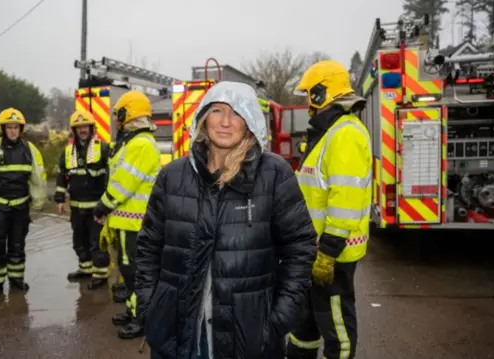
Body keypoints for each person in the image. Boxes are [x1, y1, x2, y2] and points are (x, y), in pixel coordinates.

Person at [134, 81, 318, 359]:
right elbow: (148, 247)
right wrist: (150, 309)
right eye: (218, 111)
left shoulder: (274, 174)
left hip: (250, 340)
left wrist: (277, 320)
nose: (226, 122)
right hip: (175, 336)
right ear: (204, 117)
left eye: (238, 113)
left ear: (251, 122)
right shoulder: (172, 177)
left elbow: (300, 249)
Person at [287, 60, 372, 359]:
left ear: (322, 94)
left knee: (336, 324)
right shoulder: (330, 132)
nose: (308, 106)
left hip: (331, 253)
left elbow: (344, 201)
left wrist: (329, 252)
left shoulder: (345, 134)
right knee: (306, 320)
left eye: (310, 96)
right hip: (314, 249)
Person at [91, 90, 161, 339]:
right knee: (128, 269)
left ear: (126, 114)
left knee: (135, 272)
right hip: (127, 222)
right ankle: (133, 311)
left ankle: (141, 319)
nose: (115, 121)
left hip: (135, 224)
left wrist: (103, 204)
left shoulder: (140, 144)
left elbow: (123, 183)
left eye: (118, 115)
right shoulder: (133, 143)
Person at [0, 107, 47, 299]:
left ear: (21, 129)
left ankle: (16, 279)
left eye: (16, 127)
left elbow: (39, 177)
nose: (13, 131)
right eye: (9, 127)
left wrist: (39, 201)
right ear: (2, 128)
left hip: (20, 207)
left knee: (17, 245)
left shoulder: (30, 150)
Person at [55, 109, 111, 289]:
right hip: (76, 207)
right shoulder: (67, 152)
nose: (82, 130)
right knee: (79, 240)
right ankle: (85, 269)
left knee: (97, 242)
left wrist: (108, 205)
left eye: (85, 126)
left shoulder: (102, 148)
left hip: (96, 207)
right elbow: (62, 175)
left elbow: (110, 177)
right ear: (74, 130)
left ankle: (100, 275)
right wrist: (60, 199)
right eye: (79, 127)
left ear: (91, 127)